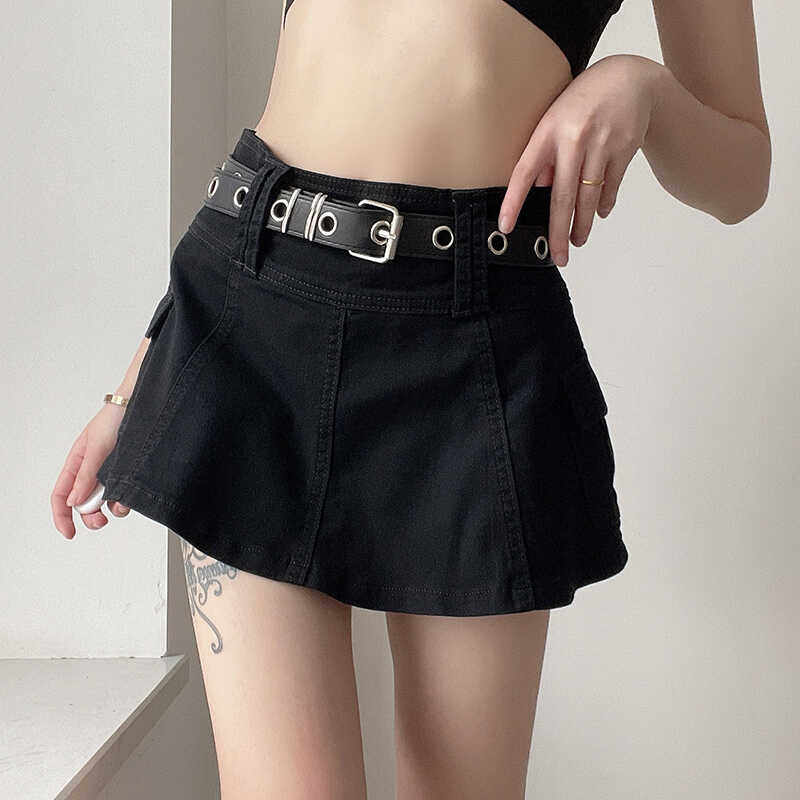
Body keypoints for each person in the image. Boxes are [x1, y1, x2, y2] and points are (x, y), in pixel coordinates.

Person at [51, 0, 770, 797]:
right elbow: (300, 104)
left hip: (472, 344)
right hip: (254, 315)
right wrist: (136, 382)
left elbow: (744, 177)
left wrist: (644, 87)